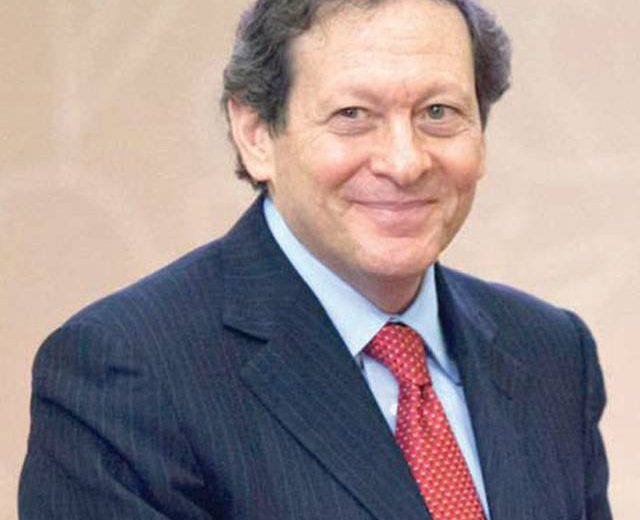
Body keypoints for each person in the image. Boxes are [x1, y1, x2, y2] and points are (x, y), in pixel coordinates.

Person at [19, 0, 612, 518]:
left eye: (438, 112)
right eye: (353, 115)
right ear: (255, 134)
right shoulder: (126, 371)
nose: (405, 162)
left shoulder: (552, 354)